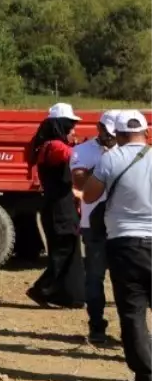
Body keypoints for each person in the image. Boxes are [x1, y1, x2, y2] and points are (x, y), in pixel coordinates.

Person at [82, 110, 152, 381]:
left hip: (126, 242)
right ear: (146, 132)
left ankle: (146, 376)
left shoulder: (111, 158)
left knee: (133, 311)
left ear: (119, 135)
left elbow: (89, 195)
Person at [25, 103, 86, 309]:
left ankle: (68, 295)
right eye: (70, 127)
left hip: (60, 205)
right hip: (59, 209)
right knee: (63, 252)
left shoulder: (48, 146)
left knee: (67, 251)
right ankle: (41, 289)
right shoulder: (55, 147)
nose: (73, 131)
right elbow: (76, 158)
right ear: (59, 127)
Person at [72, 110, 121, 345]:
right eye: (108, 134)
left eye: (116, 135)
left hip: (122, 224)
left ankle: (130, 330)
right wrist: (107, 165)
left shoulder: (126, 149)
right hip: (94, 224)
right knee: (94, 277)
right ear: (99, 128)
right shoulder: (82, 151)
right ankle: (97, 328)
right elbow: (79, 181)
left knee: (127, 280)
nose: (112, 139)